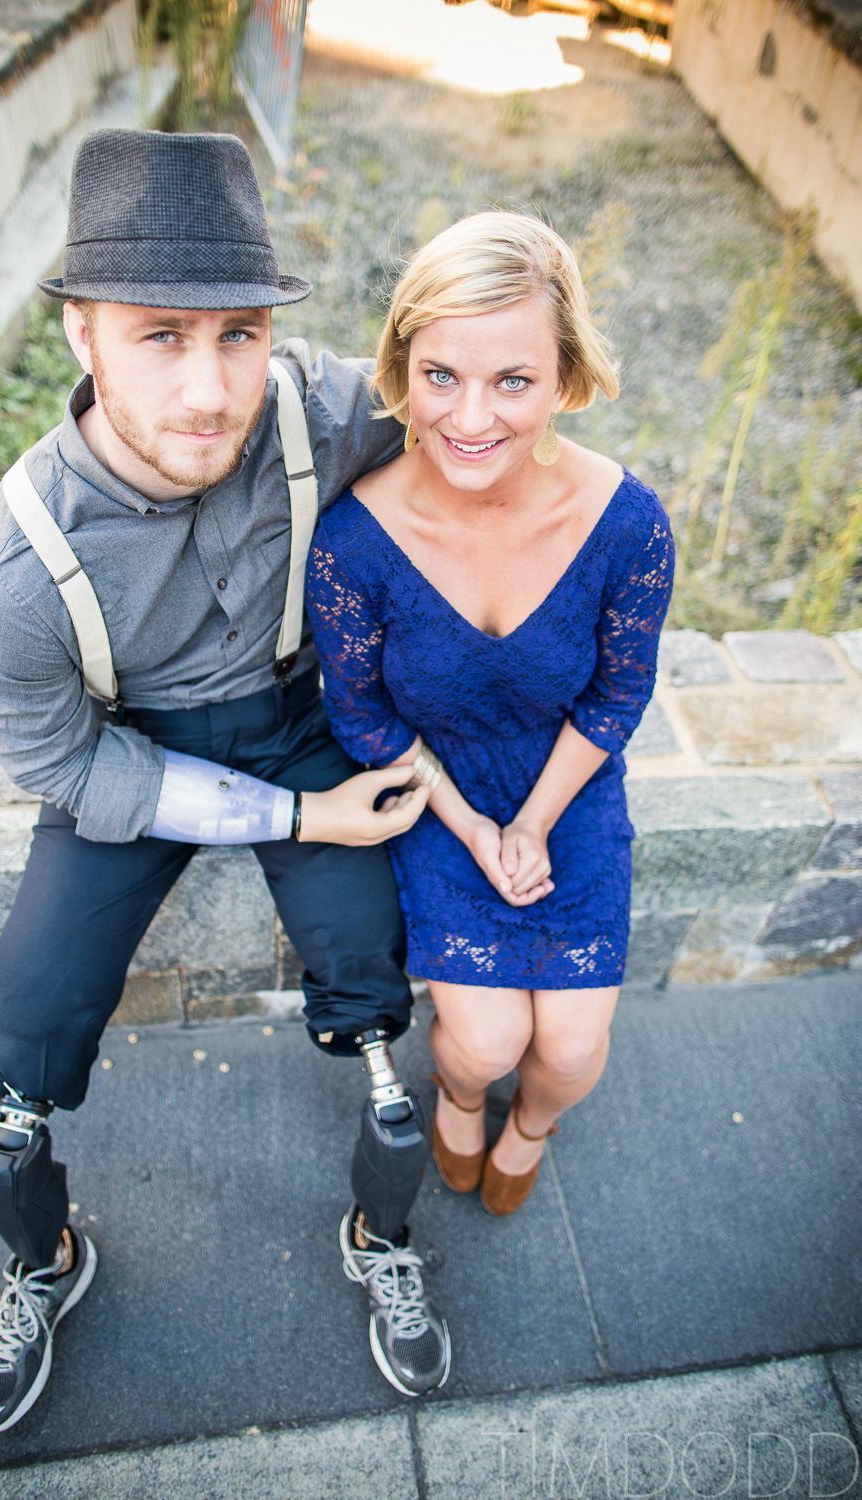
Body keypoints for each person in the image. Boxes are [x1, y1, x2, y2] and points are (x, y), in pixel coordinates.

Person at [0, 128, 452, 1436]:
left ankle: (379, 1234)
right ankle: (45, 1261)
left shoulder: (317, 406)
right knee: (28, 1021)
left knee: (376, 987)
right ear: (81, 335)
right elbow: (64, 760)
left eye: (239, 333)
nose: (211, 387)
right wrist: (302, 817)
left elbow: (469, 426)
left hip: (298, 715)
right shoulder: (15, 571)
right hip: (133, 753)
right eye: (159, 336)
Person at [305, 210, 675, 1225]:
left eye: (512, 380)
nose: (470, 418)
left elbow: (617, 695)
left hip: (570, 787)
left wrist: (536, 821)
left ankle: (532, 1127)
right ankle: (463, 1101)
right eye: (441, 376)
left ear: (563, 379)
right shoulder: (352, 541)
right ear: (402, 368)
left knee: (571, 1052)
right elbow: (363, 715)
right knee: (483, 1044)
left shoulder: (627, 522)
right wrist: (474, 828)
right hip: (438, 792)